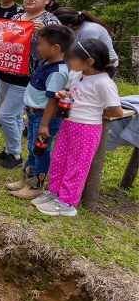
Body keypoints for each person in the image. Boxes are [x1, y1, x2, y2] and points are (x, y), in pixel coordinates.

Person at [32, 39, 122, 217]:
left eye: (72, 58)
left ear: (89, 62)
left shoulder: (103, 82)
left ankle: (67, 202)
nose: (68, 61)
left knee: (76, 165)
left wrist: (97, 112)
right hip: (69, 123)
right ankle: (54, 193)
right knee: (59, 158)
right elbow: (73, 92)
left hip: (87, 129)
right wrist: (64, 94)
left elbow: (117, 110)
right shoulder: (77, 74)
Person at [0, 0, 60, 169]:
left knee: (6, 115)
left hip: (28, 77)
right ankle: (8, 149)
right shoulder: (17, 17)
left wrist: (42, 32)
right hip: (7, 71)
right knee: (15, 117)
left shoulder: (51, 22)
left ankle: (15, 154)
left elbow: (56, 51)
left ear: (48, 0)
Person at [7, 25, 74, 199]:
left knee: (40, 150)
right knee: (32, 147)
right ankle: (27, 179)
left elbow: (53, 100)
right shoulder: (47, 62)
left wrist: (44, 124)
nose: (38, 47)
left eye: (41, 44)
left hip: (44, 117)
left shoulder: (58, 72)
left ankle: (36, 185)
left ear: (55, 48)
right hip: (34, 114)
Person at [55, 7, 119, 76]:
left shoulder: (89, 30)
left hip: (103, 65)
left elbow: (82, 54)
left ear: (68, 25)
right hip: (89, 62)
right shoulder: (76, 28)